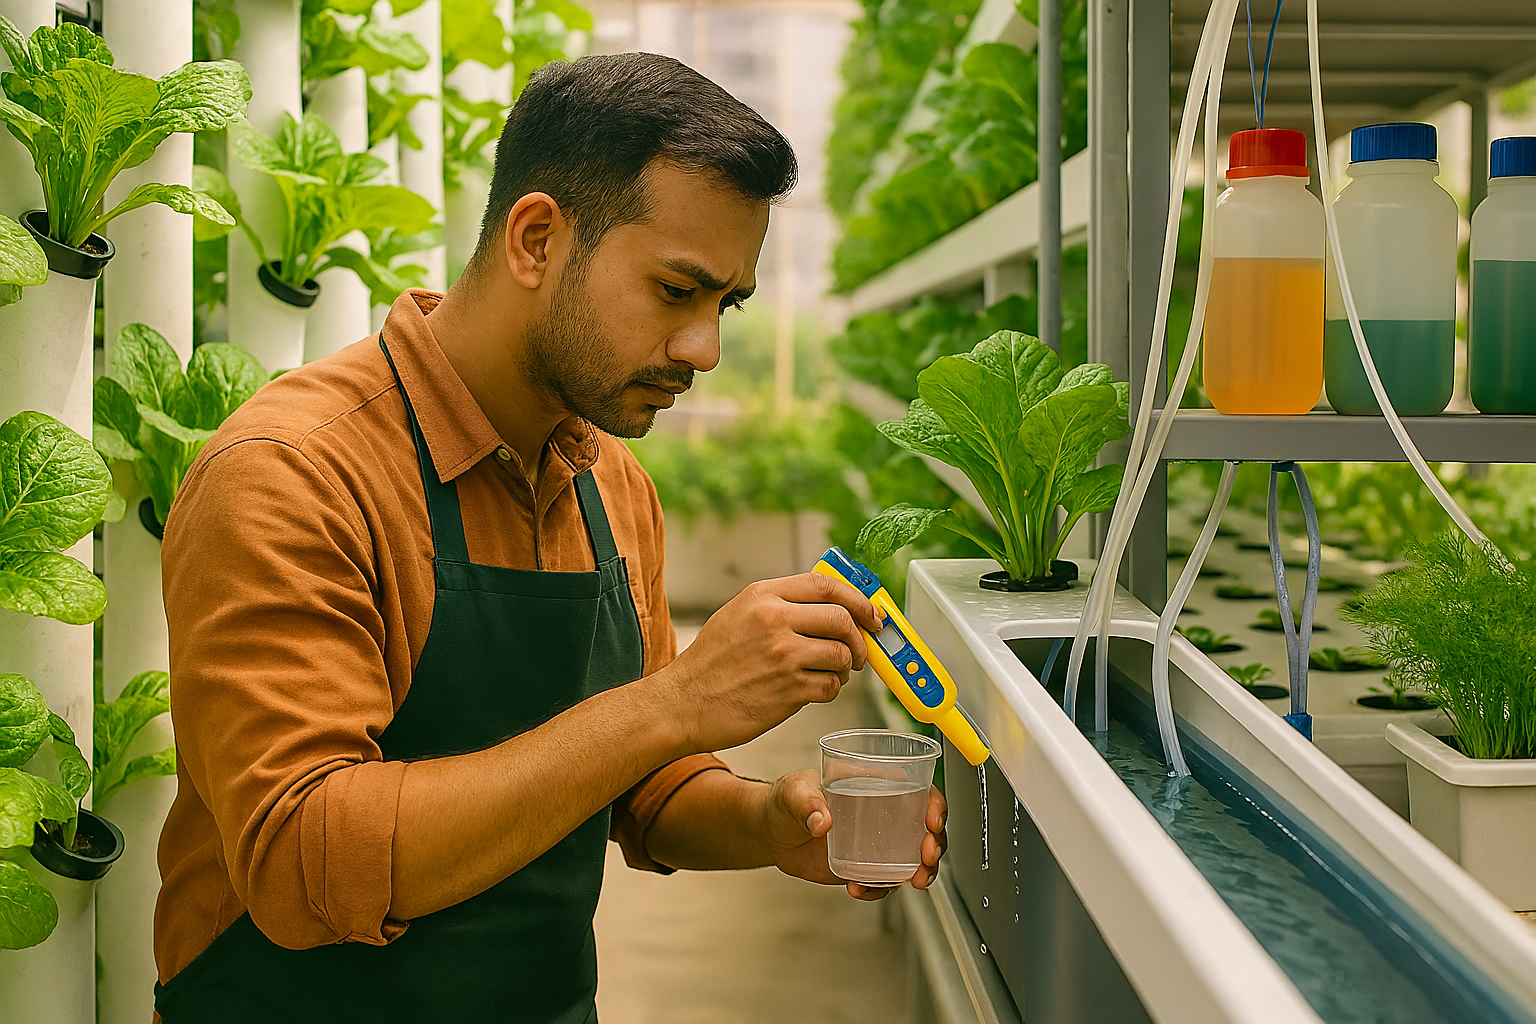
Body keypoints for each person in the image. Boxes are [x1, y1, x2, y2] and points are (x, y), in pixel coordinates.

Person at [152, 51, 947, 1022]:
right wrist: (677, 700)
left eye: (725, 304)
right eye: (676, 291)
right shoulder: (294, 472)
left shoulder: (611, 481)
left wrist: (771, 822)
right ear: (535, 239)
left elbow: (642, 788)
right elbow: (304, 863)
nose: (707, 350)